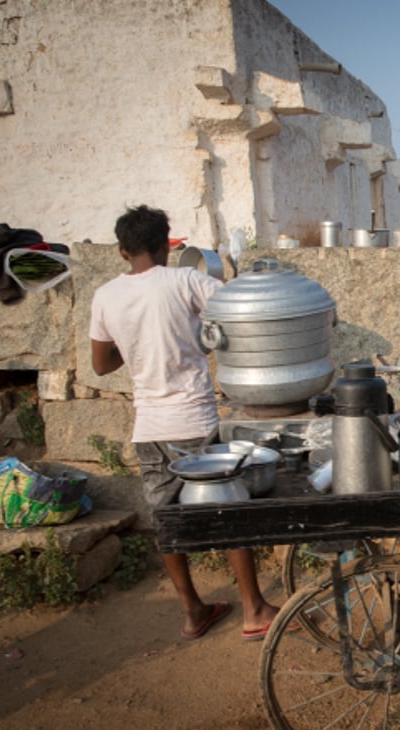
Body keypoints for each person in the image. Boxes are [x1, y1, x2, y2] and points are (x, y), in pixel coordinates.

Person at [90, 205, 281, 640]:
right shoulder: (187, 279)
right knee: (227, 510)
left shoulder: (105, 296)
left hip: (149, 429)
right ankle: (253, 609)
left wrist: (134, 343)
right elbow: (238, 311)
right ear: (167, 244)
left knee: (166, 520)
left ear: (123, 251)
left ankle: (193, 610)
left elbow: (101, 365)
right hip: (193, 419)